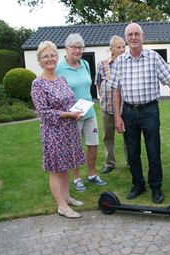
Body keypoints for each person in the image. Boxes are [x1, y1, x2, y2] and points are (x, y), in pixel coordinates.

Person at [109, 23, 170, 204]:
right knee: (133, 154)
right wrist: (117, 116)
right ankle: (138, 185)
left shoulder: (154, 57)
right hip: (128, 112)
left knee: (153, 152)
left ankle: (156, 188)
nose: (133, 37)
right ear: (126, 38)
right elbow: (116, 91)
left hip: (150, 111)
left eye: (136, 34)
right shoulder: (119, 61)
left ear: (142, 36)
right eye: (129, 34)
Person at [31, 40, 85, 219]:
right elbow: (44, 113)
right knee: (56, 169)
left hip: (68, 130)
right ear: (40, 60)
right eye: (45, 56)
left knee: (66, 166)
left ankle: (67, 197)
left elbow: (69, 101)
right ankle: (61, 206)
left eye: (52, 55)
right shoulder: (38, 84)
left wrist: (77, 111)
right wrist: (69, 115)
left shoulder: (61, 79)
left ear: (57, 57)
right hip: (53, 133)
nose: (50, 59)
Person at [56, 33, 107, 191]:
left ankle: (92, 175)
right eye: (74, 47)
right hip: (72, 115)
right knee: (74, 147)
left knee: (93, 144)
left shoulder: (85, 64)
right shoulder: (59, 68)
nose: (78, 50)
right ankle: (77, 178)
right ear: (67, 49)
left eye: (80, 47)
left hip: (89, 111)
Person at [95, 35, 129, 173]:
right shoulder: (102, 64)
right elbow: (98, 83)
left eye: (123, 46)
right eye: (118, 47)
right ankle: (110, 163)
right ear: (111, 49)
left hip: (125, 108)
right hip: (107, 107)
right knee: (108, 136)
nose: (122, 49)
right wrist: (103, 97)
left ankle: (130, 162)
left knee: (128, 137)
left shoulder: (128, 63)